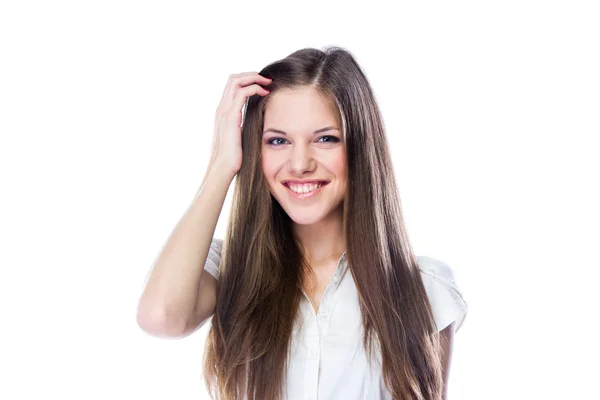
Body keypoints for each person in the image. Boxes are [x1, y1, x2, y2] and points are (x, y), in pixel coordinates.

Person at [137, 46, 468, 400]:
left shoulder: (423, 289)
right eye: (278, 140)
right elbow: (160, 316)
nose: (298, 164)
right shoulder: (231, 270)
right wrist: (221, 164)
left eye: (325, 138)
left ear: (359, 146)